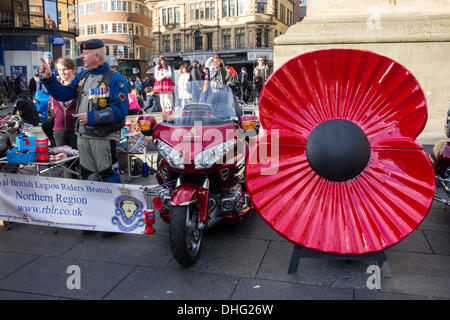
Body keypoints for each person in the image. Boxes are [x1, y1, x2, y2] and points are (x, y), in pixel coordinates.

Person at [39, 38, 128, 184]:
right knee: (87, 178)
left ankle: (111, 206)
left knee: (108, 176)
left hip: (103, 139)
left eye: (85, 53)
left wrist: (92, 117)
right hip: (83, 137)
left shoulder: (115, 79)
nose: (81, 57)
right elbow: (64, 94)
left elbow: (120, 111)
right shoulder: (82, 76)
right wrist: (49, 79)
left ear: (97, 56)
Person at [50, 57, 77, 150]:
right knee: (61, 161)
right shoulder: (55, 86)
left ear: (73, 70)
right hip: (59, 129)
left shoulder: (79, 86)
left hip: (75, 129)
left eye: (65, 69)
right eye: (60, 69)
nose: (62, 72)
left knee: (75, 160)